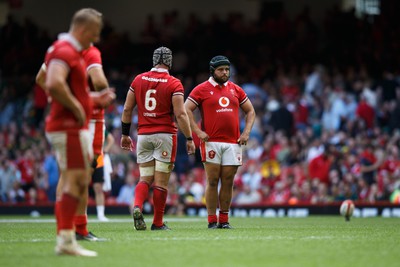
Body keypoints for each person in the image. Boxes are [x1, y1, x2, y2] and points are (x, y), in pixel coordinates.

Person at [37, 8, 113, 257]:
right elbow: (53, 82)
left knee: (78, 180)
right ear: (82, 29)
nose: (97, 38)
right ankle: (67, 238)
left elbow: (48, 81)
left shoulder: (64, 50)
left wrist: (89, 98)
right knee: (74, 180)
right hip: (67, 126)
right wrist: (76, 106)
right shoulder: (66, 50)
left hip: (70, 124)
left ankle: (69, 237)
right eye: (94, 33)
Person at [120, 46, 195, 230]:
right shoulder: (174, 83)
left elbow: (127, 109)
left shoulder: (138, 79)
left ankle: (137, 206)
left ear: (154, 60)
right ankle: (157, 223)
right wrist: (189, 138)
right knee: (161, 182)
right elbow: (181, 114)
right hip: (165, 136)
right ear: (169, 61)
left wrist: (124, 134)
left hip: (143, 135)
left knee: (145, 178)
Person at [185, 55, 255, 229]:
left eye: (227, 69)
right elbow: (185, 109)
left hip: (233, 142)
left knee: (228, 181)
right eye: (221, 70)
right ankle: (211, 220)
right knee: (212, 180)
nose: (225, 73)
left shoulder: (236, 89)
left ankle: (223, 221)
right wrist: (198, 131)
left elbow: (251, 111)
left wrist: (246, 133)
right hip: (211, 141)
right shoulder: (201, 89)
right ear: (212, 71)